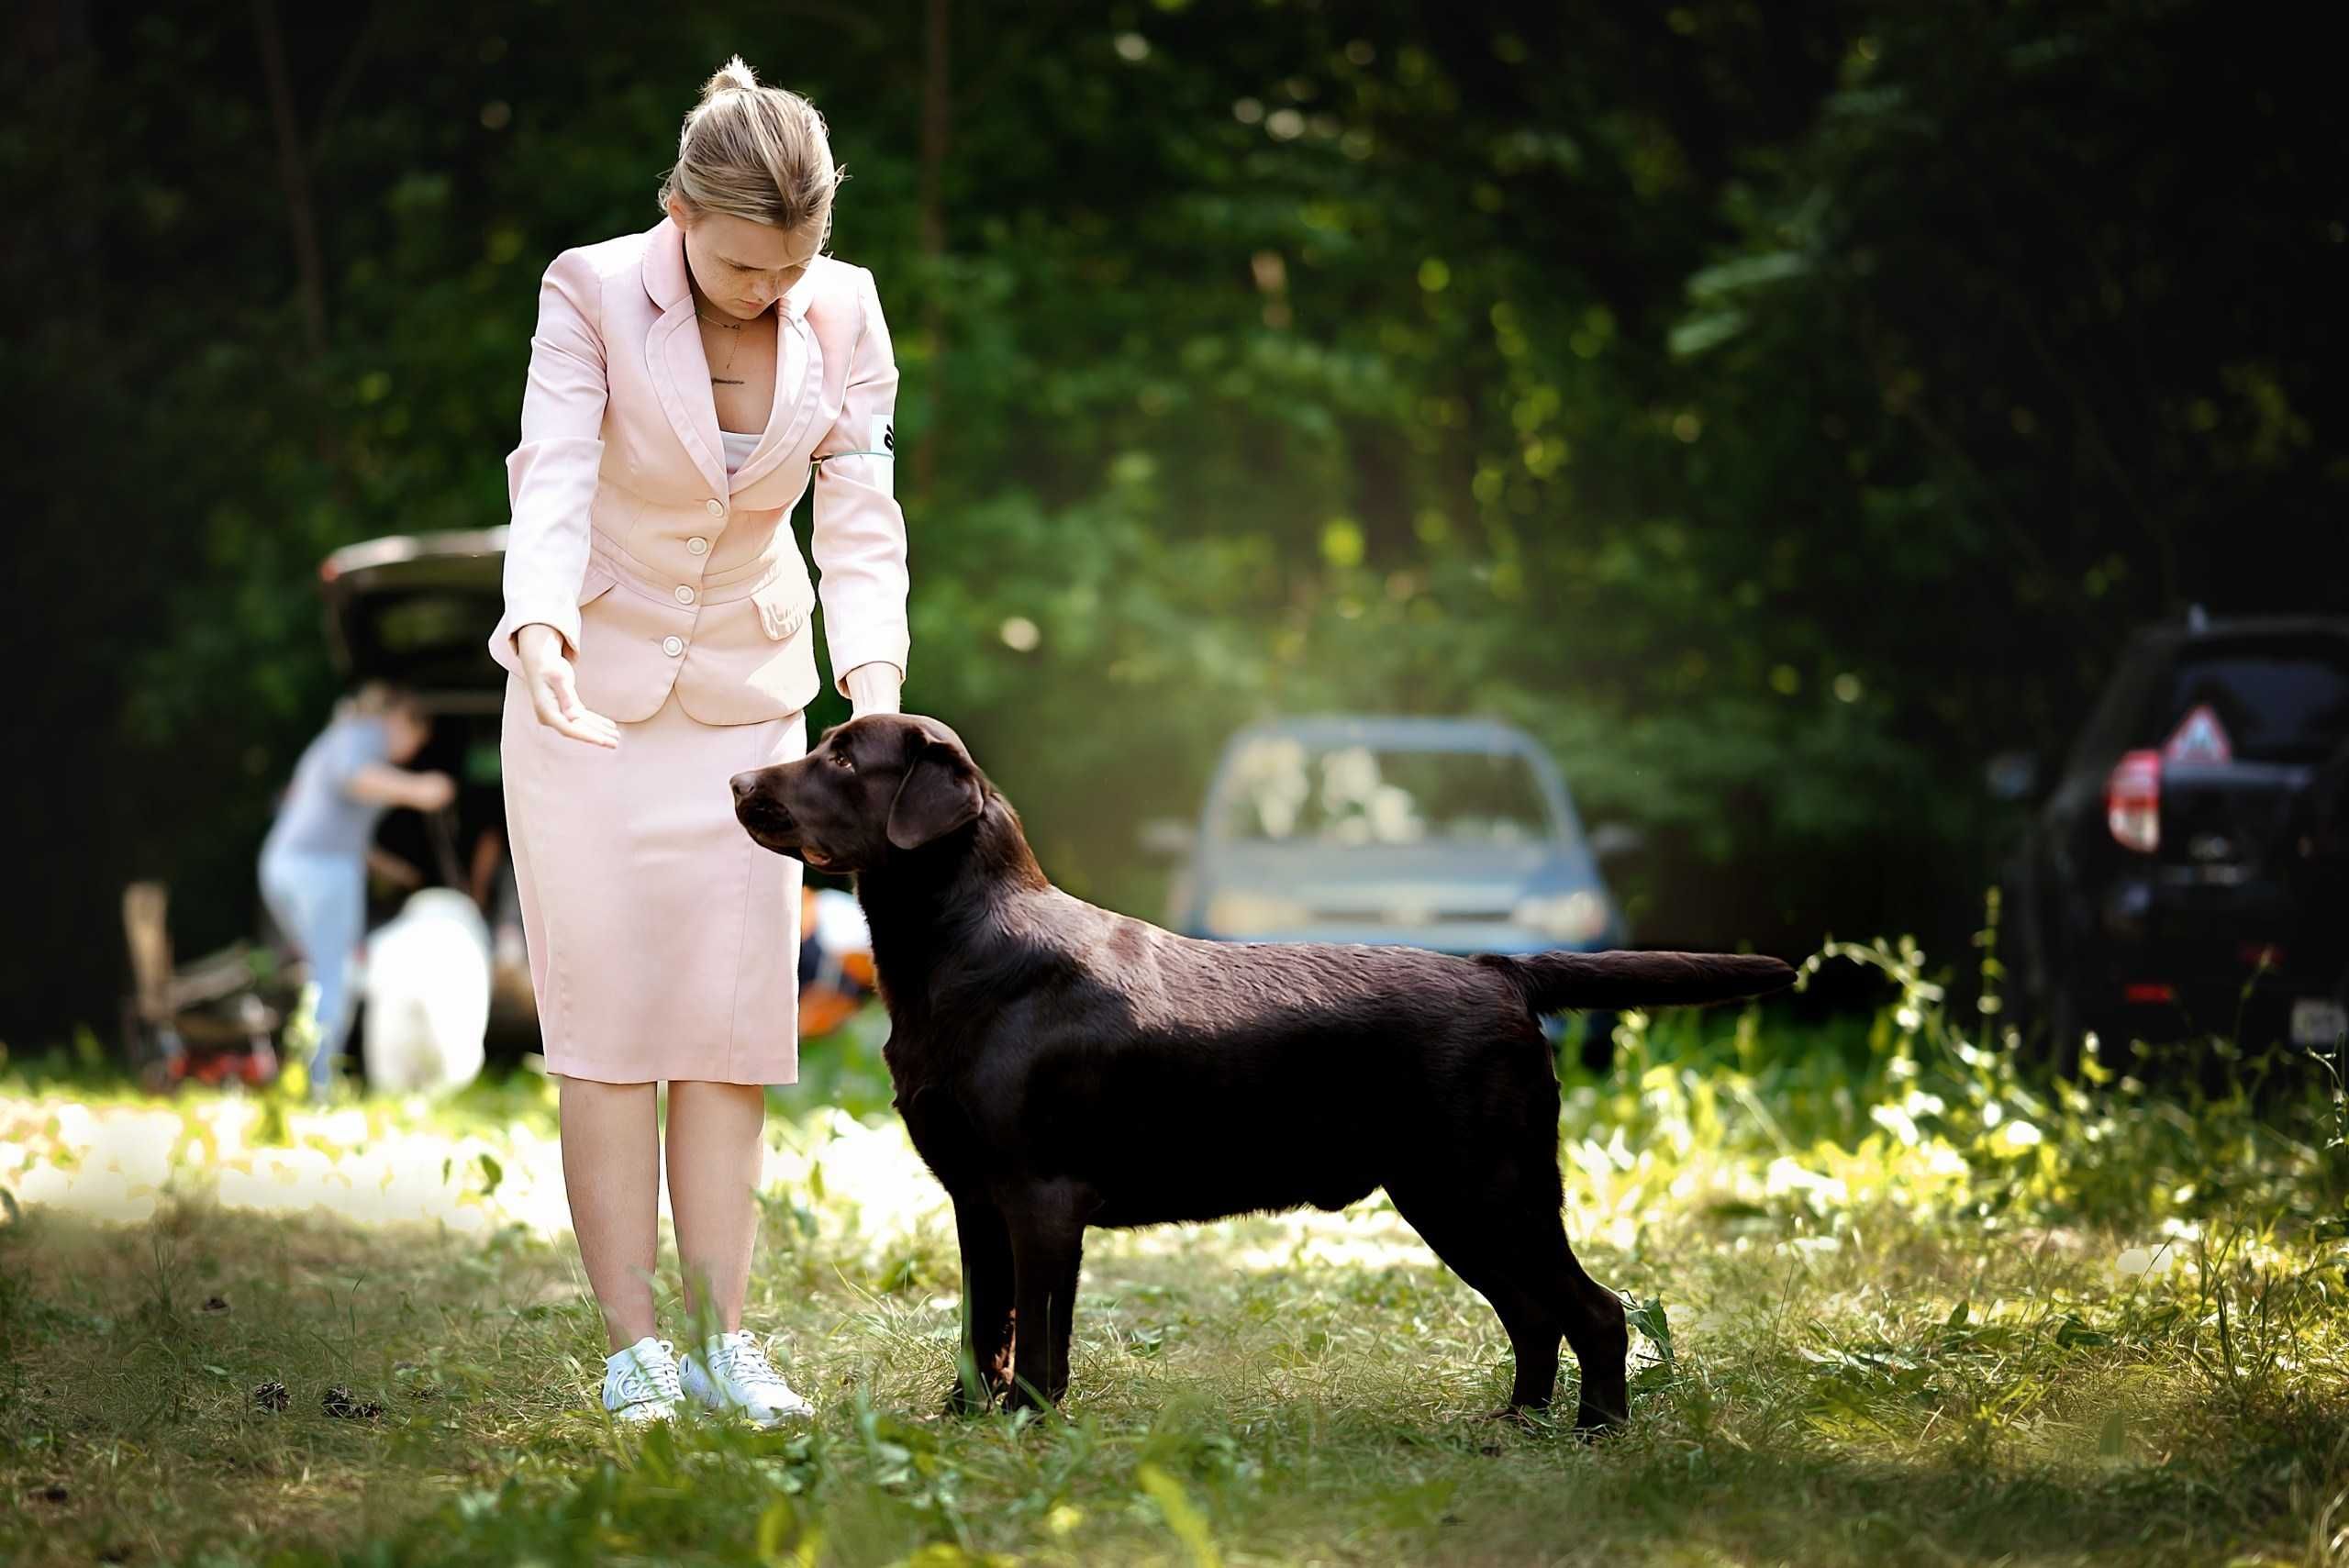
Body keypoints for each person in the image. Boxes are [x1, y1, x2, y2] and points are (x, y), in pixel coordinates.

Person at [486, 55, 910, 1427]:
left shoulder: (843, 310)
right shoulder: (593, 289)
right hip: (587, 703)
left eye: (791, 269)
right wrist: (538, 630)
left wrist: (876, 681)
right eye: (741, 269)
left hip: (752, 706)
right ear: (677, 210)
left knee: (731, 1032)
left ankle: (730, 1343)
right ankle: (633, 1352)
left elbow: (857, 510)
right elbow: (550, 469)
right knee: (608, 1032)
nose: (768, 295)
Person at [257, 682, 456, 1100]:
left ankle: (303, 1073)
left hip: (286, 864)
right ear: (402, 721)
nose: (413, 752)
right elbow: (354, 778)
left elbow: (339, 823)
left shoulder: (337, 736)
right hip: (320, 871)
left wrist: (392, 870)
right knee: (336, 975)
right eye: (417, 740)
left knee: (321, 974)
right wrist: (420, 790)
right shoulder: (364, 736)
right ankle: (319, 1089)